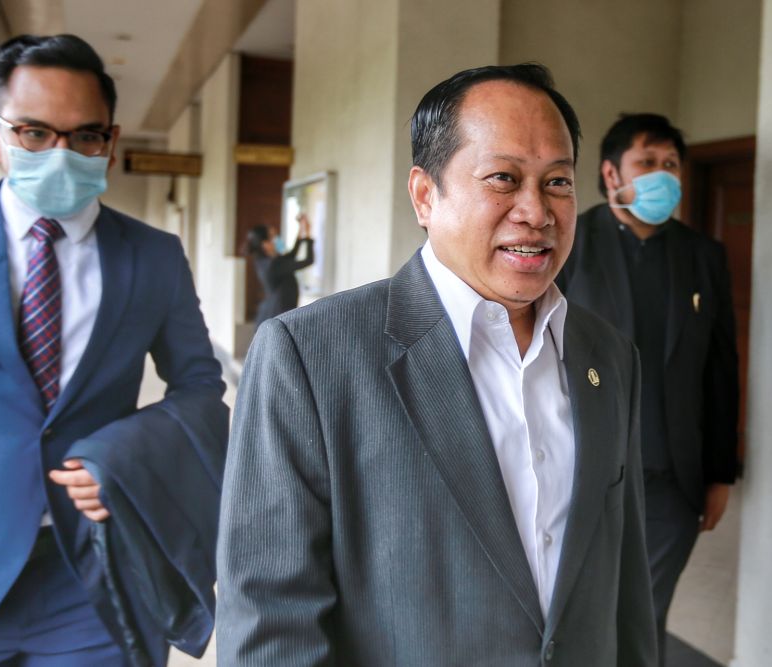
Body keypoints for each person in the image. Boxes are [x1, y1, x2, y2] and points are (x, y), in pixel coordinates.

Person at [218, 64, 657, 666]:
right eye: (503, 178)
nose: (536, 211)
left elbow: (626, 582)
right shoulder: (310, 356)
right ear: (426, 195)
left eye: (557, 182)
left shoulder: (609, 357)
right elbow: (271, 620)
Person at [0, 34, 228, 665]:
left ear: (110, 142)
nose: (59, 154)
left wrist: (120, 460)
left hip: (95, 572)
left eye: (84, 135)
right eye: (34, 133)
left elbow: (200, 387)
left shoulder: (153, 256)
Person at [556, 113, 739, 666]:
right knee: (574, 612)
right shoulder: (570, 239)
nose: (662, 175)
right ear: (612, 174)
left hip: (670, 481)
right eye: (647, 163)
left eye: (670, 165)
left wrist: (719, 472)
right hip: (578, 466)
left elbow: (720, 367)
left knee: (643, 616)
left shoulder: (702, 256)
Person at [245, 213, 315, 328]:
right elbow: (308, 260)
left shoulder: (264, 261)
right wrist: (307, 233)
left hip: (275, 313)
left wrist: (301, 230)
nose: (277, 239)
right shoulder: (273, 265)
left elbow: (291, 256)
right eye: (273, 237)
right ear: (265, 244)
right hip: (277, 315)